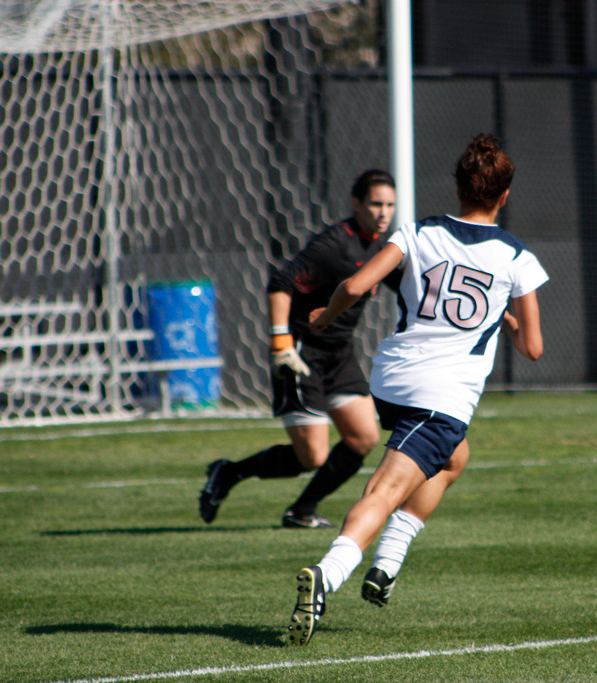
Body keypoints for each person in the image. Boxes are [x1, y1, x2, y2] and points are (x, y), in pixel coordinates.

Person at [287, 134, 547, 646]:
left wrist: (325, 316)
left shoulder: (418, 231)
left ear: (458, 188)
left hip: (391, 378)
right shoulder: (517, 257)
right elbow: (533, 348)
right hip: (441, 395)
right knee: (385, 490)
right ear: (504, 195)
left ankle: (386, 563)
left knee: (454, 457)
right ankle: (327, 574)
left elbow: (355, 286)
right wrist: (506, 317)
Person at [199, 169, 398, 529]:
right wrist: (281, 343)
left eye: (389, 205)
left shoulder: (382, 248)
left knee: (363, 437)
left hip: (340, 354)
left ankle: (302, 510)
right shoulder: (334, 245)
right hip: (303, 352)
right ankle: (229, 472)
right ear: (356, 204)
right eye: (375, 204)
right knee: (312, 456)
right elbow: (282, 283)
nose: (383, 212)